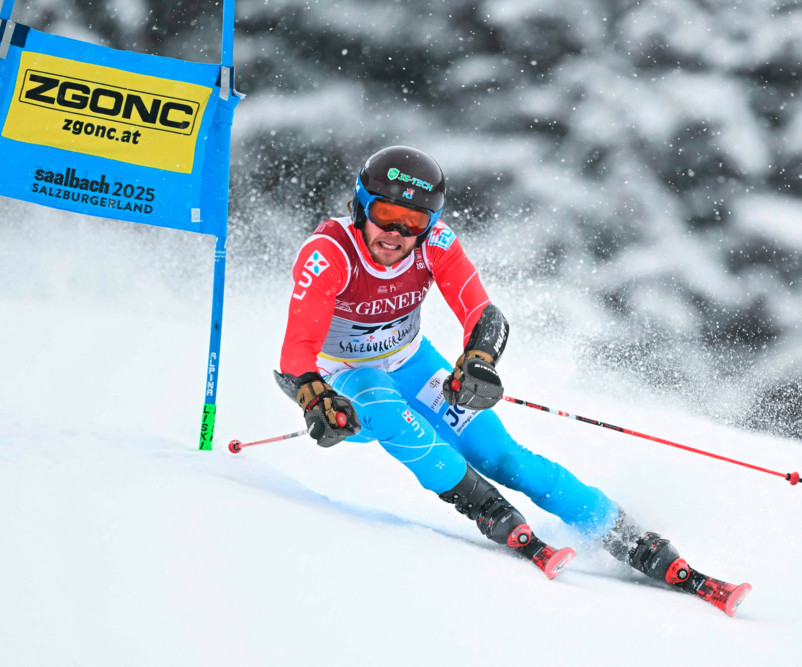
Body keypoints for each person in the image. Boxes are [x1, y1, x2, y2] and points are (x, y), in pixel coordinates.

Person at [274, 146, 749, 610]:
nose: (397, 232)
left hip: (413, 364)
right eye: (386, 214)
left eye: (414, 222)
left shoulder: (435, 244)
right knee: (388, 406)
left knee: (504, 457)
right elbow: (296, 348)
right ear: (360, 205)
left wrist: (479, 360)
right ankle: (489, 509)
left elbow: (484, 314)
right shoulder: (329, 253)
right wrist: (315, 396)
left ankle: (629, 537)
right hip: (349, 387)